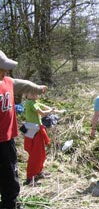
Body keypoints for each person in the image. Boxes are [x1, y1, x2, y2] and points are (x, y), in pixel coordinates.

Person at [0, 50, 47, 209]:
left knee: (10, 177)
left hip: (6, 141)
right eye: (2, 68)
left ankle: (11, 204)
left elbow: (25, 84)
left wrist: (39, 89)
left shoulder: (7, 82)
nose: (6, 71)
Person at [23, 93, 63, 185]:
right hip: (33, 131)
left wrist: (54, 110)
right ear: (26, 95)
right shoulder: (30, 103)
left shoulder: (34, 102)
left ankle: (38, 173)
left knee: (41, 154)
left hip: (37, 129)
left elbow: (44, 107)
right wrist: (51, 110)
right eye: (31, 92)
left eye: (35, 92)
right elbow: (42, 113)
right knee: (35, 155)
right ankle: (30, 178)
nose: (34, 94)